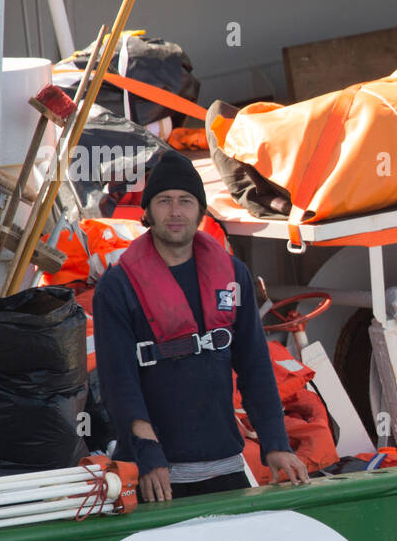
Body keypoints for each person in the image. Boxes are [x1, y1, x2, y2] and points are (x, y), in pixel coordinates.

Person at [93, 150, 309, 501]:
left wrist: (276, 444)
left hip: (224, 465)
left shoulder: (233, 274)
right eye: (164, 201)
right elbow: (119, 382)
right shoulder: (117, 286)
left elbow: (255, 366)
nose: (175, 212)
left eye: (185, 201)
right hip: (155, 472)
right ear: (146, 212)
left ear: (200, 212)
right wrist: (148, 455)